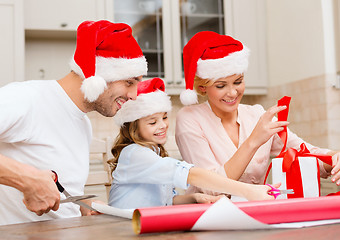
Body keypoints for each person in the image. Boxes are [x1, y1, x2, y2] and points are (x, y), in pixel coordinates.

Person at [0, 20, 148, 225]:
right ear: (98, 75)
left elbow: (64, 190)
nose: (133, 95)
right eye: (129, 82)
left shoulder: (83, 124)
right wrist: (27, 179)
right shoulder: (26, 98)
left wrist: (83, 203)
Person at [175, 31, 340, 196]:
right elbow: (211, 188)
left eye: (238, 82)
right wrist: (254, 141)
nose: (232, 93)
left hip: (258, 212)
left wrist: (334, 158)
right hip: (210, 215)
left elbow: (305, 152)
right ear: (203, 87)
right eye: (221, 86)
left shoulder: (256, 114)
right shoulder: (189, 118)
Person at [107, 77, 277, 209]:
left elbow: (165, 201)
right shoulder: (134, 154)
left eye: (164, 118)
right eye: (152, 122)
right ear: (133, 128)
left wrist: (194, 198)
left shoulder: (155, 154)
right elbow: (192, 174)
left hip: (145, 226)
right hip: (124, 228)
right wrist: (249, 191)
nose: (162, 126)